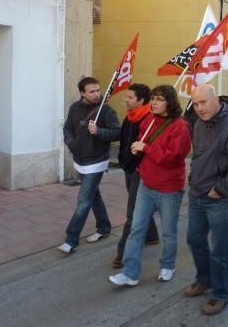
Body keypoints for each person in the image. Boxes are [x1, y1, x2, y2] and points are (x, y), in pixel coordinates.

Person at [108, 85, 191, 286]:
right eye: (153, 98)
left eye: (160, 99)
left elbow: (174, 156)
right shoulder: (149, 119)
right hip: (146, 184)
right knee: (136, 228)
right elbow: (142, 140)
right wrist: (139, 150)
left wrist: (147, 148)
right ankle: (130, 272)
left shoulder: (180, 126)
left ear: (169, 102)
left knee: (169, 232)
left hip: (169, 188)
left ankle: (168, 265)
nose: (154, 102)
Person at [184, 84, 228, 316]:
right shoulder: (199, 123)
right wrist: (194, 177)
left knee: (220, 248)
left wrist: (222, 189)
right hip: (197, 194)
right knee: (194, 239)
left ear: (216, 100)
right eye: (195, 104)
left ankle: (220, 293)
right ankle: (204, 279)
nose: (199, 108)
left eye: (203, 102)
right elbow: (199, 155)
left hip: (220, 198)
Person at [58, 77, 121, 254]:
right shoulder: (75, 108)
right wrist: (71, 144)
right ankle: (104, 227)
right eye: (91, 91)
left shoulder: (106, 110)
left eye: (98, 90)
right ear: (82, 93)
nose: (96, 94)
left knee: (83, 200)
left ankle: (71, 240)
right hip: (79, 160)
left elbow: (117, 132)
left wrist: (99, 131)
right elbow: (67, 128)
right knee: (94, 196)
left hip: (96, 161)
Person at [112, 84, 158, 269]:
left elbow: (152, 148)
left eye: (130, 97)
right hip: (128, 169)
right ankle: (152, 236)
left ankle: (123, 253)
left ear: (141, 101)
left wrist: (141, 165)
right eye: (127, 96)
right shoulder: (130, 117)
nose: (126, 100)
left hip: (140, 172)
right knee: (140, 205)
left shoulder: (150, 120)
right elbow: (124, 140)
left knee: (132, 212)